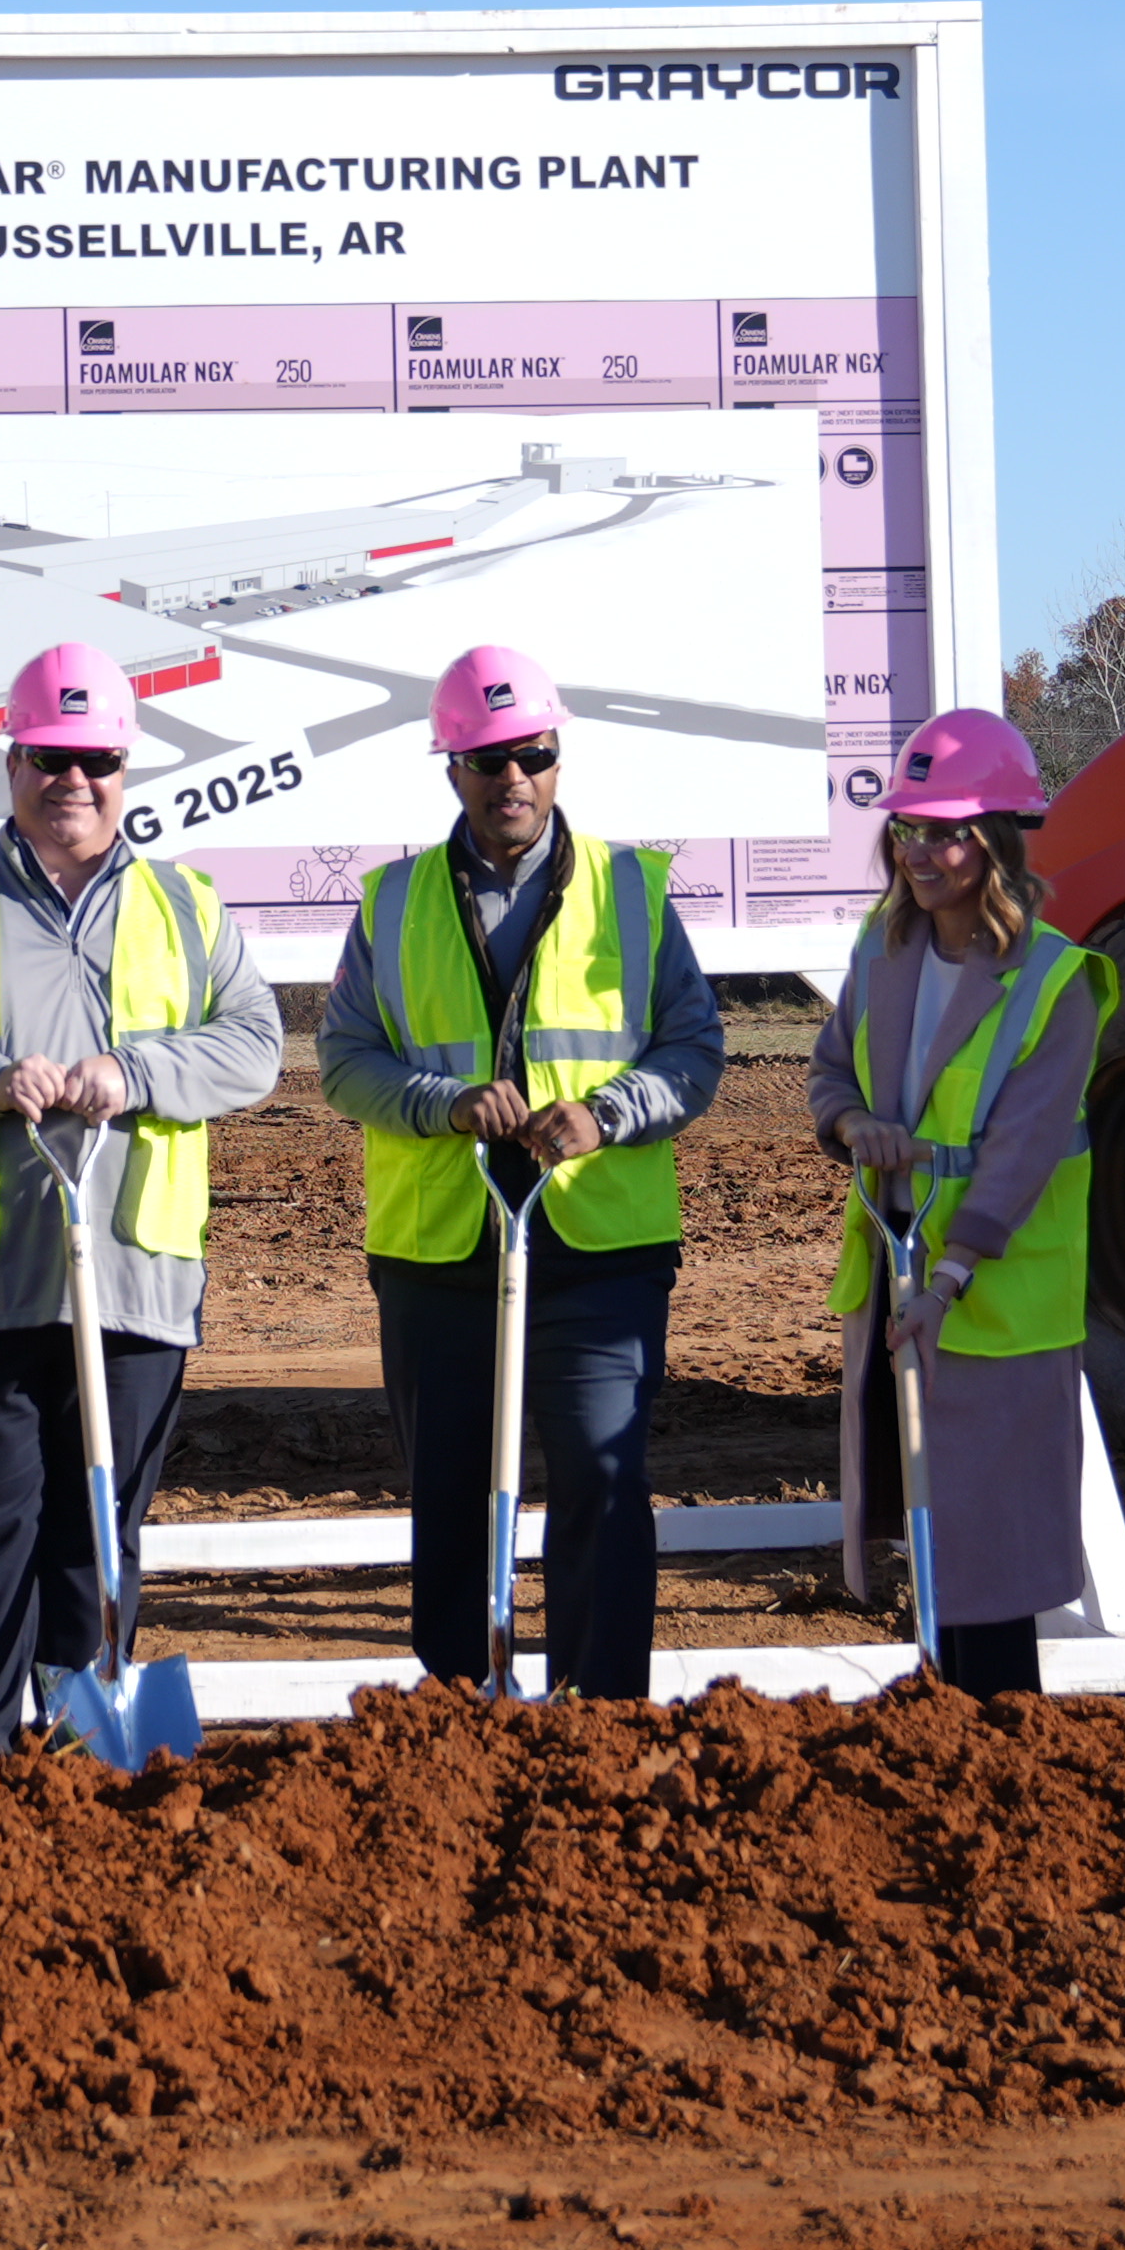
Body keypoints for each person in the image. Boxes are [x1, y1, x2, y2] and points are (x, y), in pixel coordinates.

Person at [0, 640, 279, 1749]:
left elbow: (255, 1045)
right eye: (48, 758)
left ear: (124, 767)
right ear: (12, 760)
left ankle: (84, 1753)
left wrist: (138, 1073)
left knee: (97, 1537)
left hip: (135, 1284)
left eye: (95, 760)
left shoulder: (186, 906)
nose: (71, 780)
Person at [325, 642, 723, 1698]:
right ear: (449, 766)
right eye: (489, 757)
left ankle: (602, 1718)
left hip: (599, 1248)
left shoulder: (632, 891)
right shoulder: (393, 901)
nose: (515, 778)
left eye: (534, 755)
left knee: (603, 1477)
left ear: (559, 758)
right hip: (439, 1249)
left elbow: (695, 1050)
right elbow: (345, 1060)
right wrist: (441, 1104)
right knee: (450, 1496)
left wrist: (609, 1113)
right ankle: (461, 1713)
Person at [805, 707, 1108, 1700]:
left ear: (998, 843)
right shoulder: (880, 950)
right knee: (929, 1540)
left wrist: (949, 1275)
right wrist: (855, 1128)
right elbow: (828, 1078)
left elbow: (1021, 1155)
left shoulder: (1053, 981)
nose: (920, 850)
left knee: (994, 1563)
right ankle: (946, 1740)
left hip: (996, 1300)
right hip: (895, 1281)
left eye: (946, 832)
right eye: (908, 828)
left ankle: (1002, 1754)